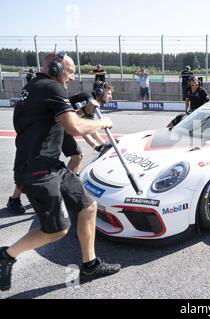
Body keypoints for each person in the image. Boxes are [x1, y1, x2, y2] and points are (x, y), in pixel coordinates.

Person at [0, 52, 120, 292]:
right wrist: (101, 123)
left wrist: (84, 111)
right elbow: (73, 127)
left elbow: (57, 120)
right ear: (55, 68)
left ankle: (90, 265)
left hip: (52, 165)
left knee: (87, 207)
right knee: (57, 230)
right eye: (71, 71)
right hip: (38, 170)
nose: (73, 77)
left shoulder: (33, 87)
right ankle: (7, 255)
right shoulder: (52, 88)